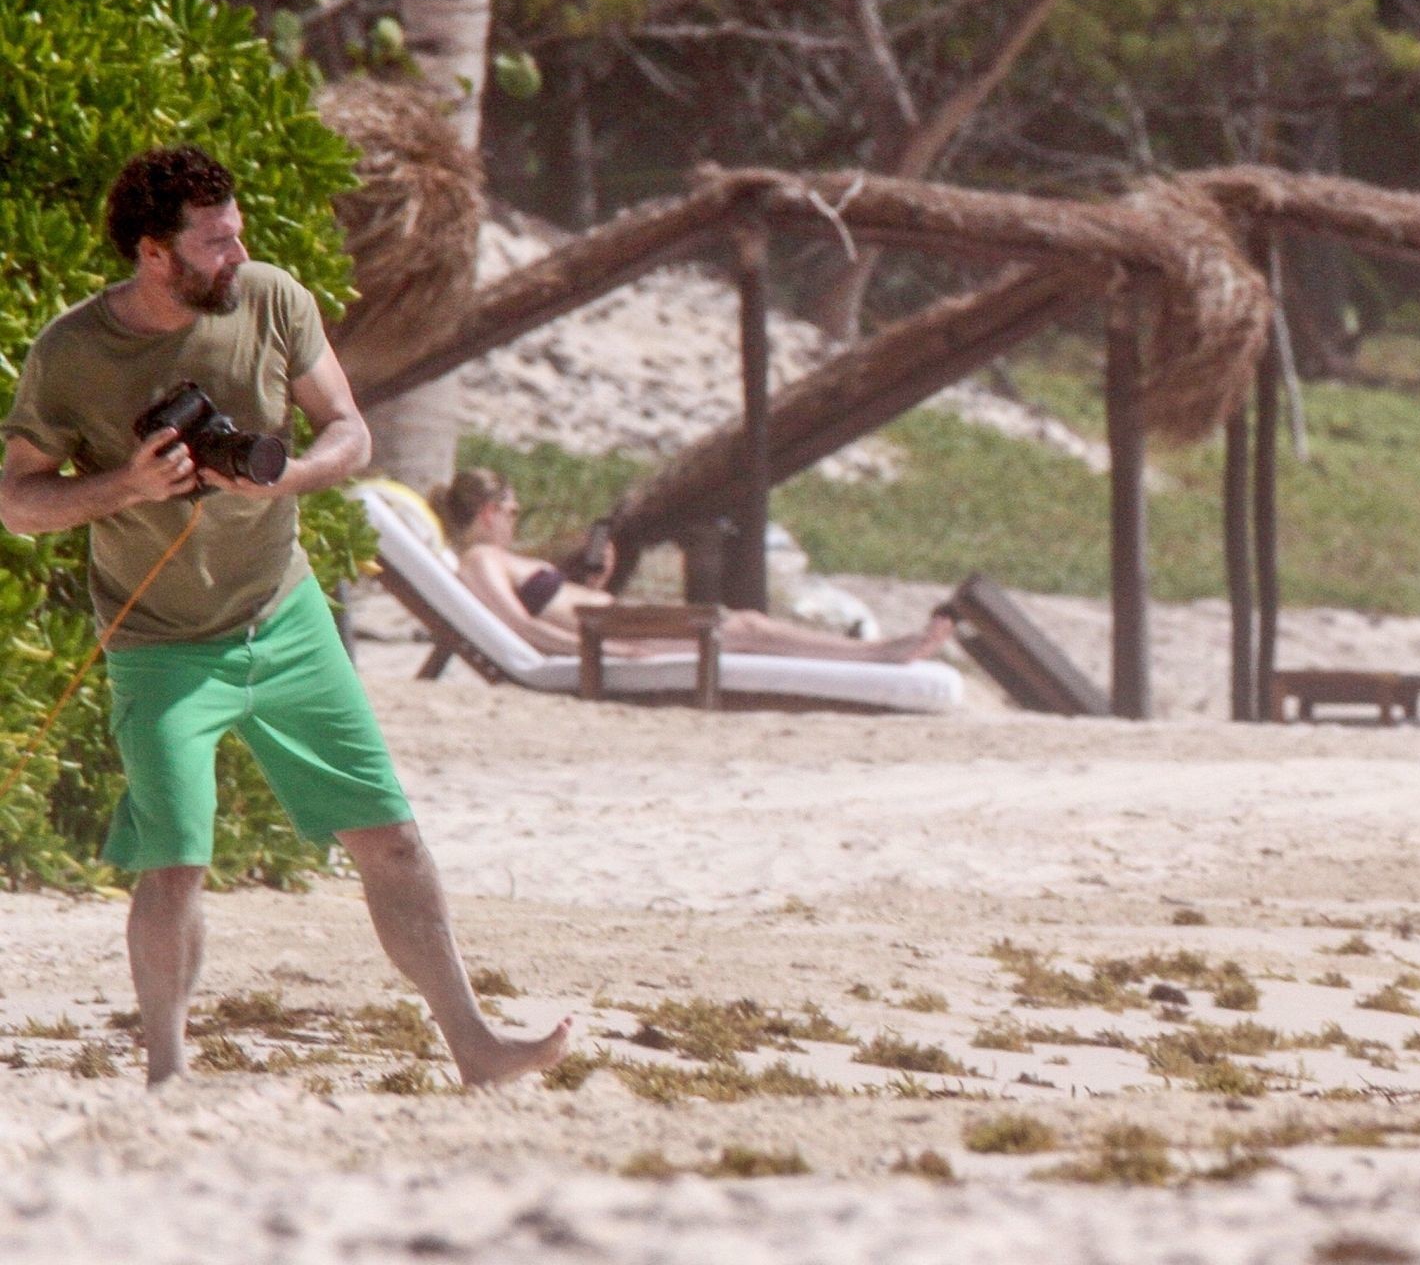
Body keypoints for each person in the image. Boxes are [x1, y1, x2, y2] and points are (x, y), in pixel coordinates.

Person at [0, 147, 569, 1088]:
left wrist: (289, 477)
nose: (239, 253)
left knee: (392, 839)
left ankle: (475, 1044)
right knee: (175, 861)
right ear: (153, 253)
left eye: (237, 233)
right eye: (216, 242)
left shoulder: (270, 298)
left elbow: (351, 431)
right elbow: (18, 502)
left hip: (286, 614)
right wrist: (127, 485)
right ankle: (166, 1078)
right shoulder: (72, 351)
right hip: (161, 644)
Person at [429, 468, 954, 664]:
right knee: (747, 628)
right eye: (513, 513)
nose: (515, 522)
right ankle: (878, 652)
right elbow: (520, 628)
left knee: (744, 627)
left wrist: (595, 584)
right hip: (610, 634)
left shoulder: (495, 559)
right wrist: (604, 651)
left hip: (613, 621)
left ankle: (876, 652)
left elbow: (543, 608)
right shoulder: (480, 559)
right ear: (490, 512)